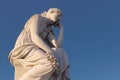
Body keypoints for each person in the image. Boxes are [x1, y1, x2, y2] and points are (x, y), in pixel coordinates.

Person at [8, 8, 70, 80]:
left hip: (35, 49)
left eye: (60, 17)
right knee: (49, 64)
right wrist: (49, 52)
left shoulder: (48, 29)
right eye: (59, 15)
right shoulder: (37, 17)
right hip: (26, 47)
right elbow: (34, 36)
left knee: (61, 52)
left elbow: (57, 45)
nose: (60, 19)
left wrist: (61, 29)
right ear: (50, 12)